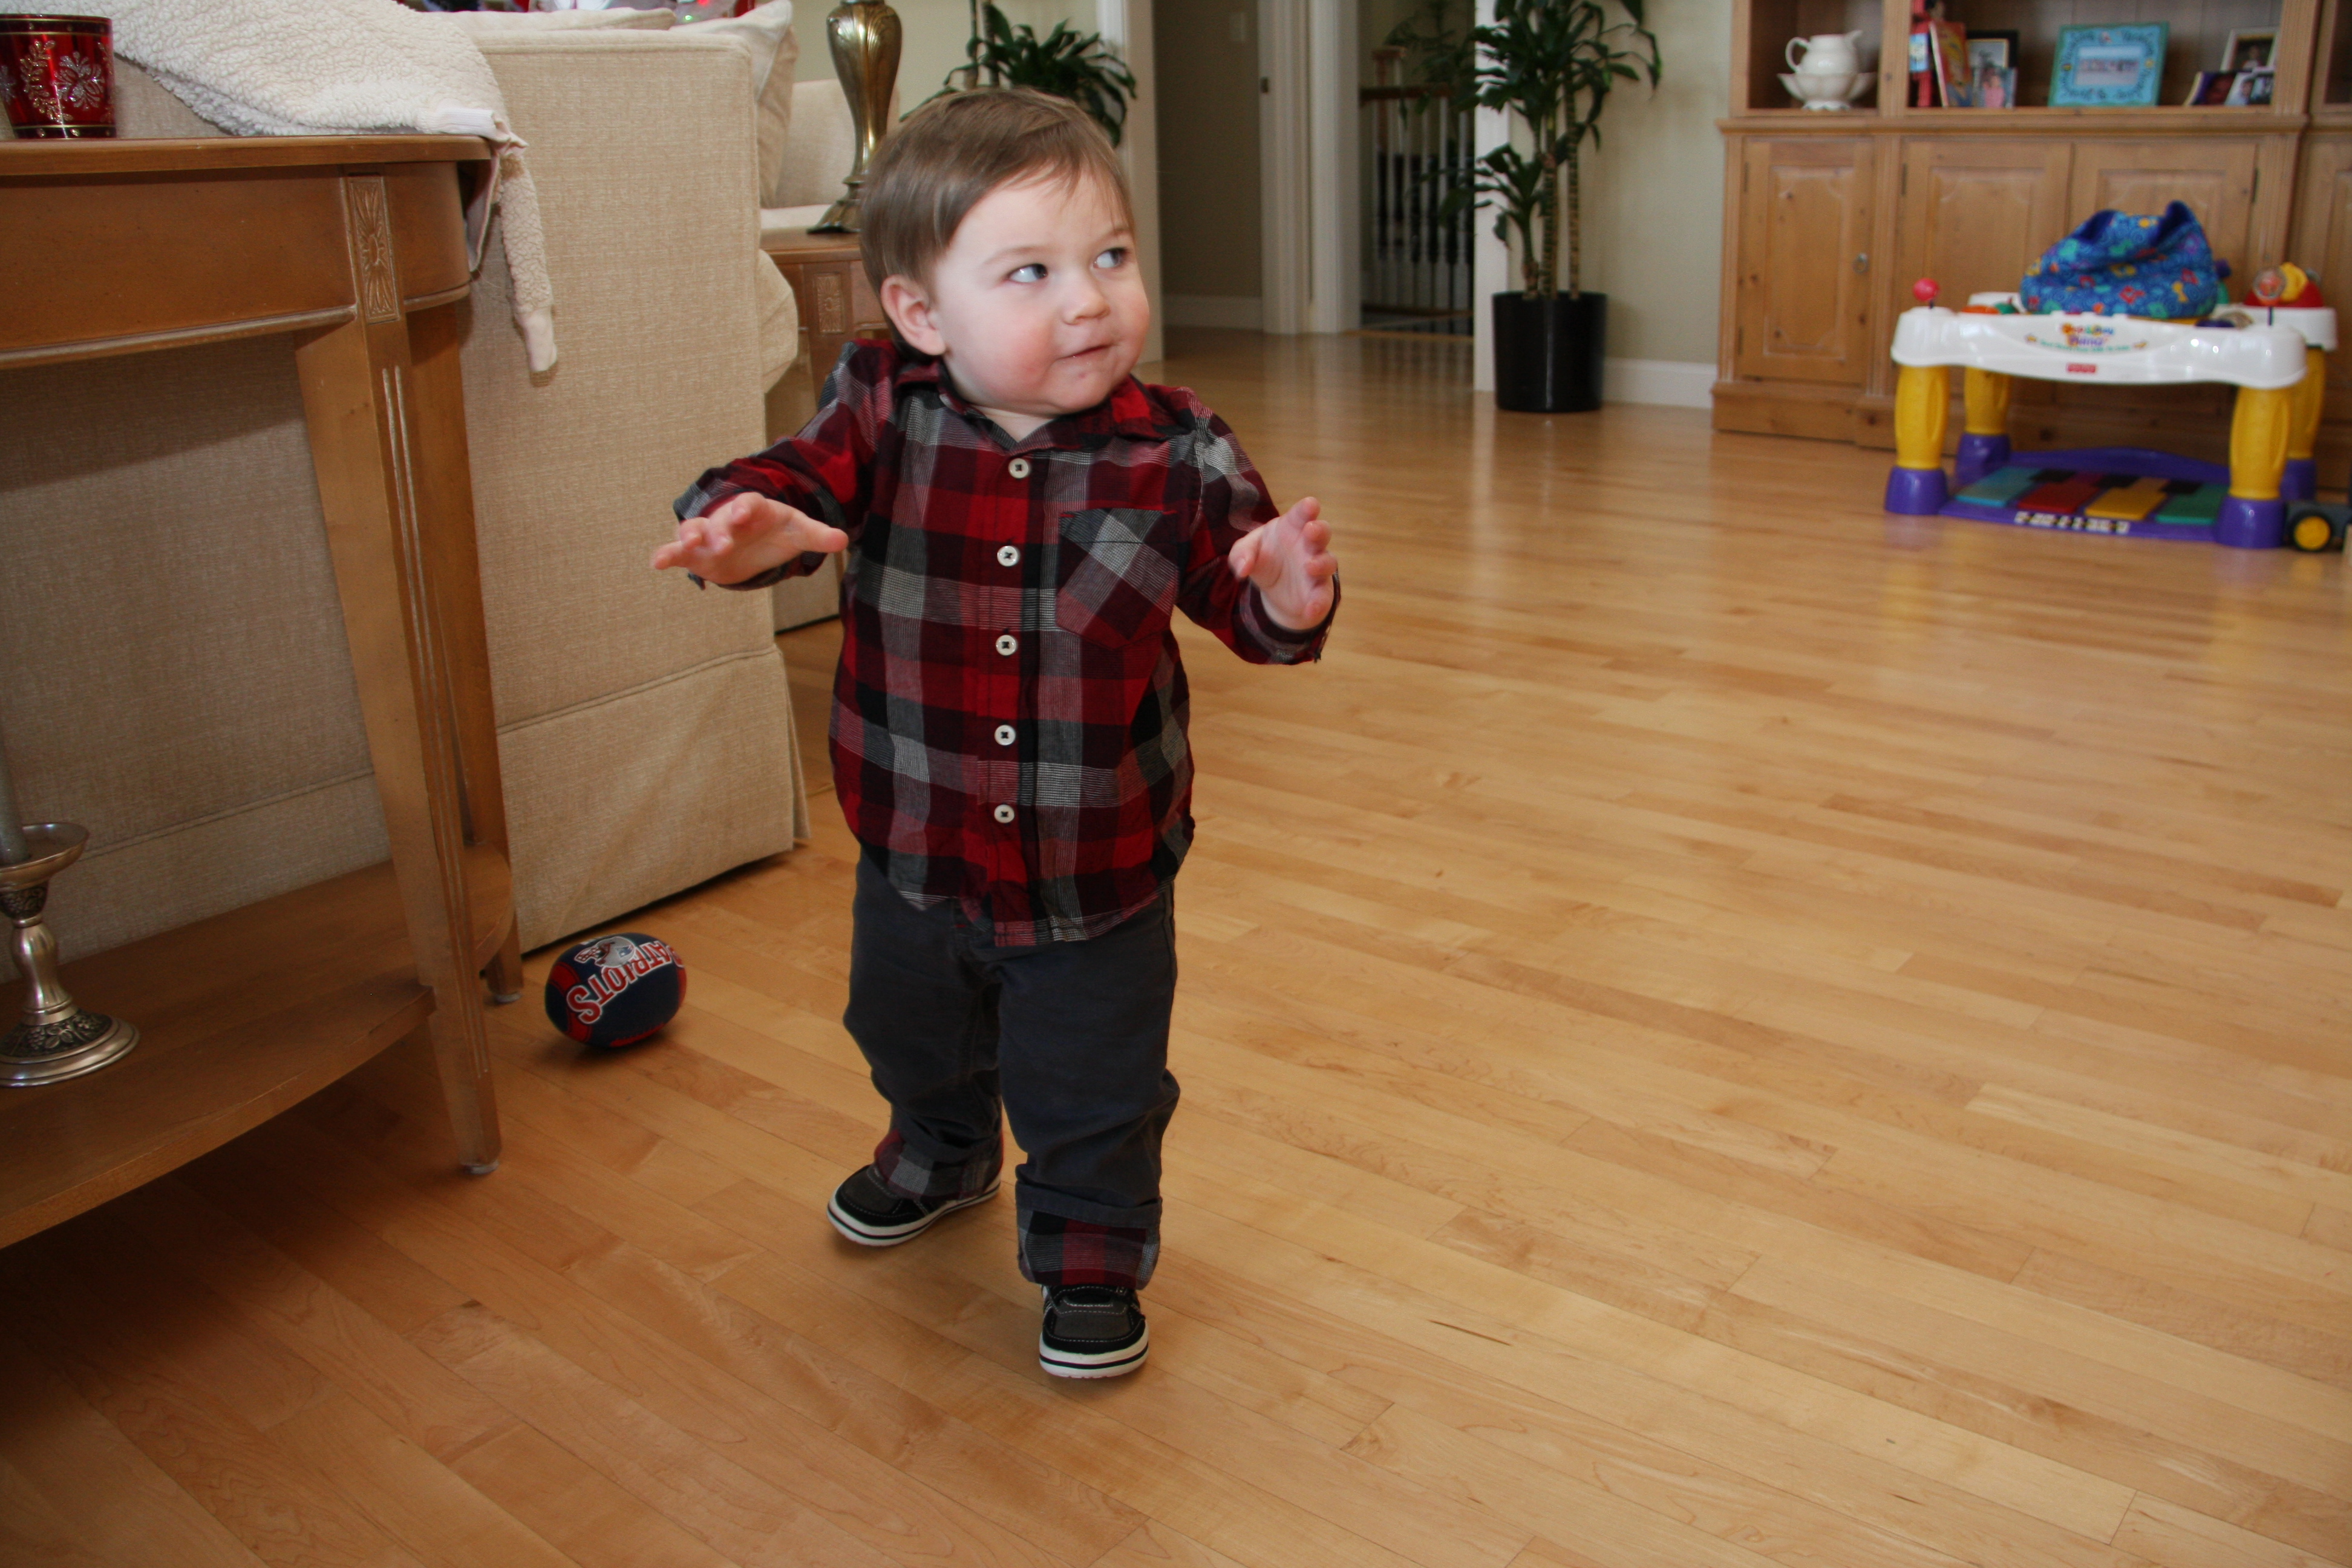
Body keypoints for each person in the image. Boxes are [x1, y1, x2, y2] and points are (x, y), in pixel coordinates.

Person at [652, 87, 1338, 1379]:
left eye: (1111, 256)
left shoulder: (1180, 449)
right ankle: (941, 1149)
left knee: (1095, 1080)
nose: (1089, 301)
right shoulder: (880, 407)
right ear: (922, 313)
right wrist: (743, 529)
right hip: (915, 841)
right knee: (906, 1029)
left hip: (1097, 868)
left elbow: (1243, 601)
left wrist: (1285, 600)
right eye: (1033, 272)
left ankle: (1091, 1245)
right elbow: (785, 488)